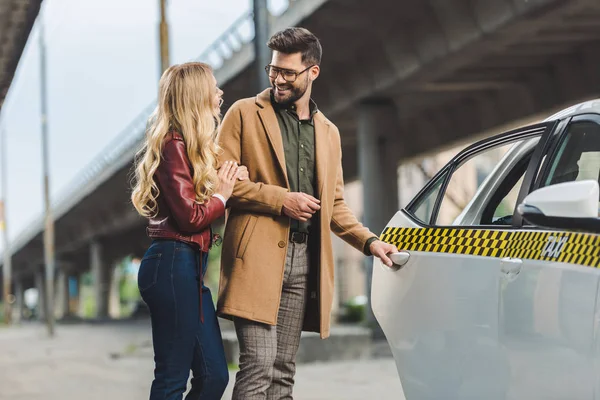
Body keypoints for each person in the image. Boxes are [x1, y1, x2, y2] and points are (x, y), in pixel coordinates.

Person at [217, 27, 398, 399]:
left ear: (312, 72)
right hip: (255, 258)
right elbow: (220, 184)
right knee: (258, 367)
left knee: (283, 373)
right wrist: (280, 199)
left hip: (305, 260)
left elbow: (334, 205)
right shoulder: (243, 114)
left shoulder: (328, 133)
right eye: (273, 70)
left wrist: (370, 242)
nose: (278, 79)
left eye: (288, 73)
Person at [131, 62, 246, 400]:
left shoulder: (188, 149)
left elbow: (195, 208)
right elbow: (191, 218)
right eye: (214, 87)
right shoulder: (172, 145)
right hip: (170, 264)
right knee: (171, 379)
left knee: (214, 375)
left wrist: (226, 183)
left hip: (186, 268)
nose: (220, 92)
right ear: (197, 95)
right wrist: (222, 195)